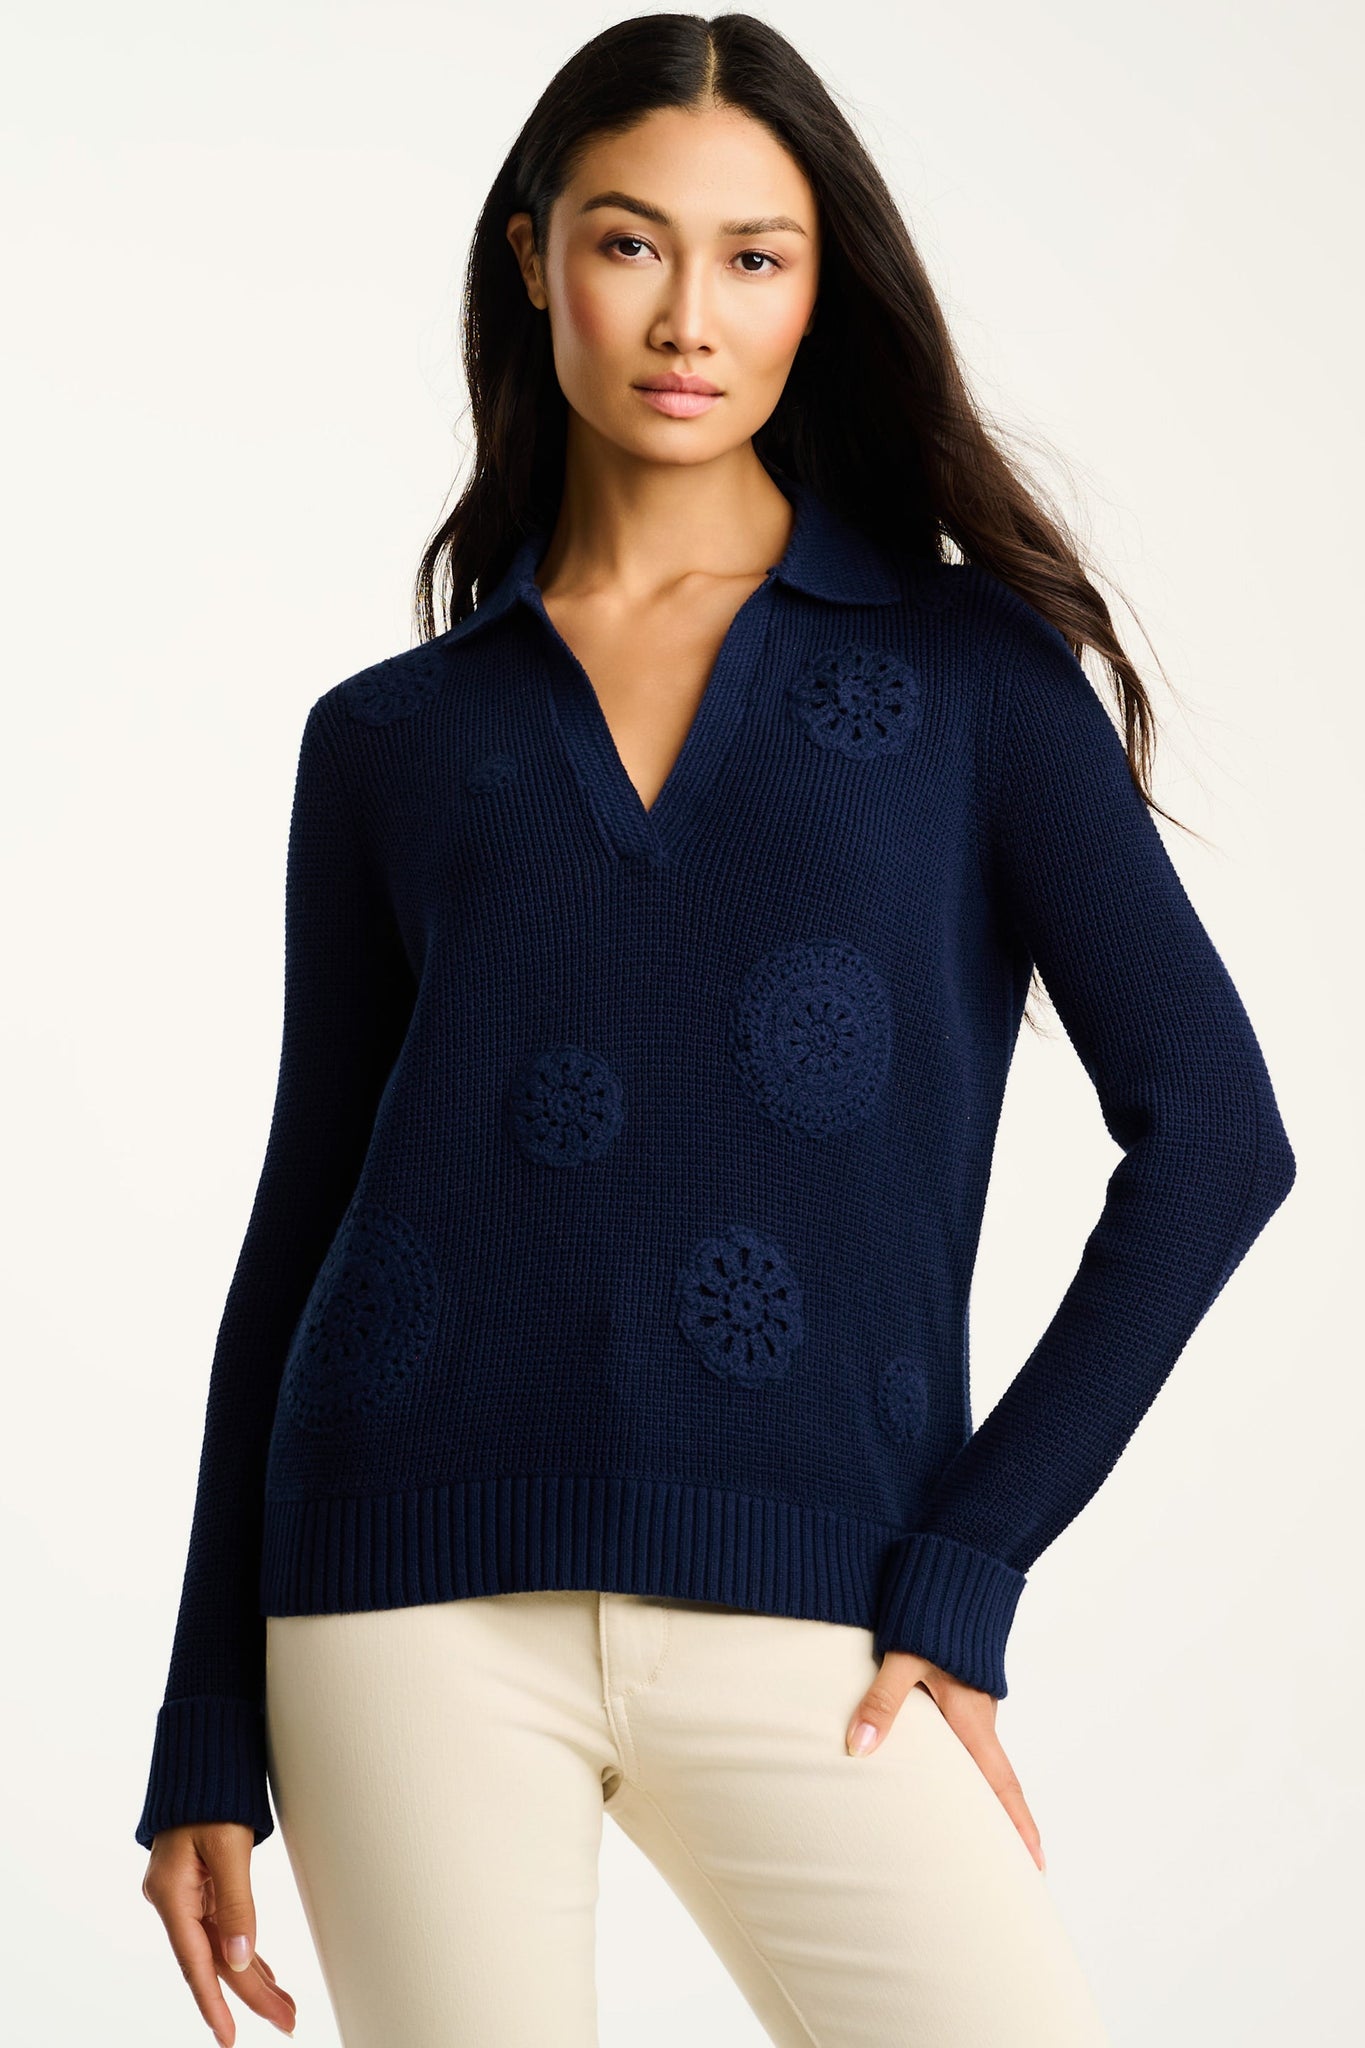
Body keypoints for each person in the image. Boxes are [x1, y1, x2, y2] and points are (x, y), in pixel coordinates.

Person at [136, 15, 1297, 2047]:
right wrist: (202, 1719)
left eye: (753, 256)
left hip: (821, 1604)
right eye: (629, 243)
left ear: (817, 286)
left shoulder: (969, 679)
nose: (689, 316)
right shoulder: (391, 739)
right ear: (532, 260)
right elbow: (305, 1206)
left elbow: (1214, 1136)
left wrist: (969, 1560)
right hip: (399, 1598)